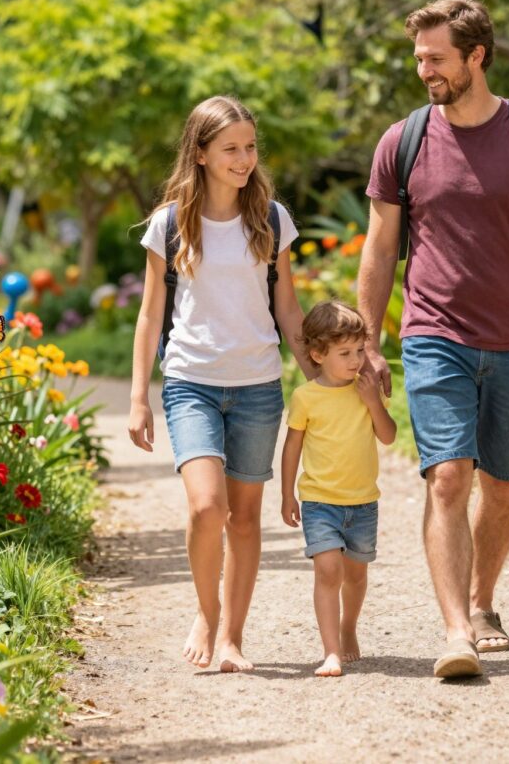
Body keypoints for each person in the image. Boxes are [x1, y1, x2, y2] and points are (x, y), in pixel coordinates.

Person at [357, 0, 509, 678]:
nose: (424, 69)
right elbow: (378, 250)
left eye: (436, 58)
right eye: (419, 58)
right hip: (434, 333)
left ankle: (484, 601)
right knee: (450, 478)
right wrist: (369, 342)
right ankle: (456, 629)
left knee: (506, 485)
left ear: (476, 56)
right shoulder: (401, 142)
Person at [127, 96, 316, 672]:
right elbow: (149, 314)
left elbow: (286, 307)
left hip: (258, 384)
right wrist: (138, 397)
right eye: (231, 148)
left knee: (243, 517)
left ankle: (232, 637)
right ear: (201, 153)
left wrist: (318, 375)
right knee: (207, 508)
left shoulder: (272, 218)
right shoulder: (169, 224)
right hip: (191, 382)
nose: (244, 159)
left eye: (250, 147)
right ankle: (207, 613)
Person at [280, 300, 396, 677]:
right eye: (344, 353)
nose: (355, 360)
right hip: (319, 501)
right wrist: (287, 495)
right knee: (329, 570)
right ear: (317, 354)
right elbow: (292, 447)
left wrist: (372, 401)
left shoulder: (365, 388)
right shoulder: (305, 397)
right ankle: (330, 651)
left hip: (363, 502)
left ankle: (348, 628)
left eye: (360, 350)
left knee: (356, 574)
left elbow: (389, 436)